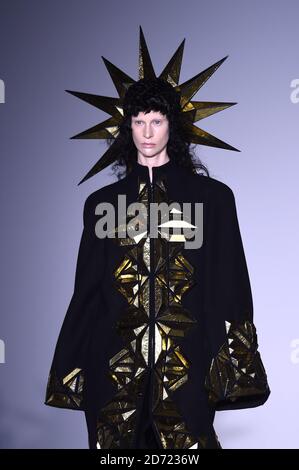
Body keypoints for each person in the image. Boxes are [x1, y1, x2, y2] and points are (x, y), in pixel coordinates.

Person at [44, 76, 270, 449]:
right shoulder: (102, 204)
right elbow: (86, 291)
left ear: (173, 126)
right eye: (138, 121)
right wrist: (71, 369)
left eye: (157, 121)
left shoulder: (213, 199)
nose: (147, 132)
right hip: (113, 368)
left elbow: (229, 284)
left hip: (186, 366)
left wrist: (236, 366)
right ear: (126, 126)